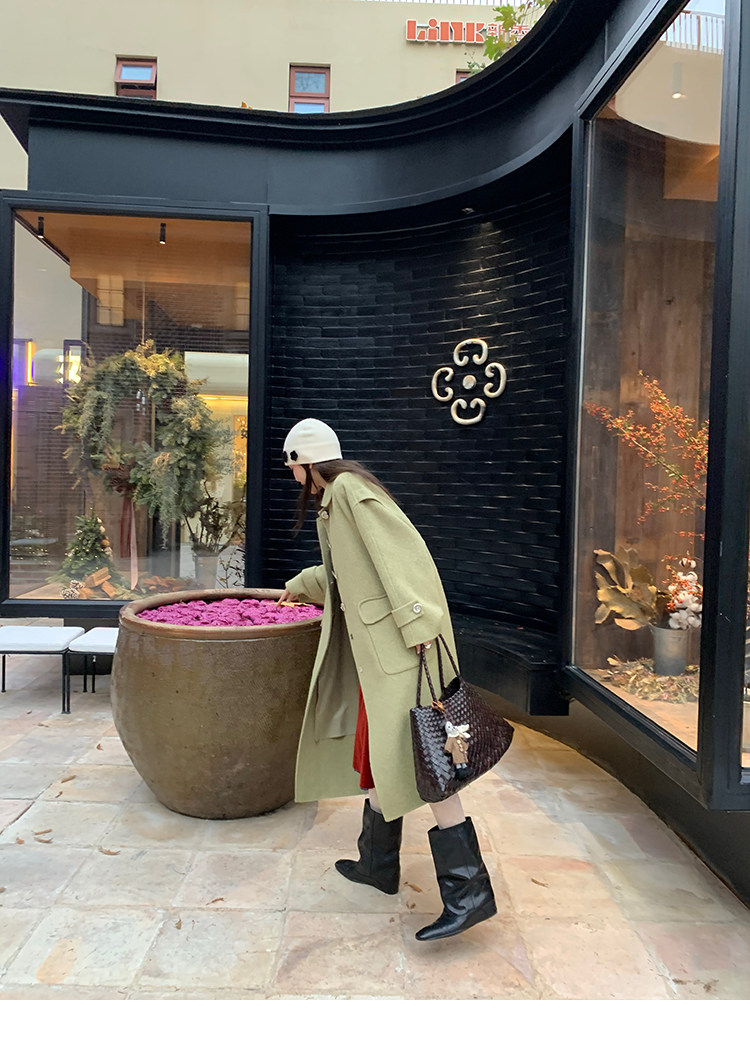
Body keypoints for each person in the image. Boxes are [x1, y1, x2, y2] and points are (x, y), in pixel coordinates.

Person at [278, 417, 496, 941]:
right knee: (384, 754)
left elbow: (400, 557)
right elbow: (344, 572)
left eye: (291, 464)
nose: (291, 475)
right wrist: (299, 584)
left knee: (427, 760)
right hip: (379, 654)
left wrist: (417, 624)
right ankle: (376, 865)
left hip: (401, 650)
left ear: (304, 460)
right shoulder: (335, 500)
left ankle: (470, 895)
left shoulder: (351, 492)